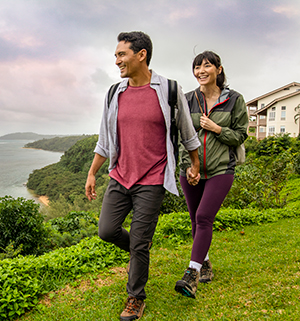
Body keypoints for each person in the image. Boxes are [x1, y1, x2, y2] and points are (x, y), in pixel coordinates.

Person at [85, 31, 200, 320]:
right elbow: (105, 139)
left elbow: (187, 134)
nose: (117, 61)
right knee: (107, 231)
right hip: (120, 176)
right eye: (115, 56)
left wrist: (195, 164)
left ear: (141, 54)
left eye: (121, 54)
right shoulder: (114, 93)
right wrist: (92, 173)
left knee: (137, 241)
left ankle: (135, 298)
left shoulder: (169, 90)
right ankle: (140, 246)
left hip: (153, 178)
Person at [175, 51, 249, 299]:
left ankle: (192, 273)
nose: (201, 71)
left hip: (221, 168)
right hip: (192, 169)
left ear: (218, 69)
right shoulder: (187, 100)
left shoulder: (234, 100)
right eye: (197, 67)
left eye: (207, 66)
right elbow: (182, 137)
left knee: (204, 216)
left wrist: (217, 128)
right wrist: (188, 166)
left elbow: (240, 135)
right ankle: (204, 262)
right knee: (195, 219)